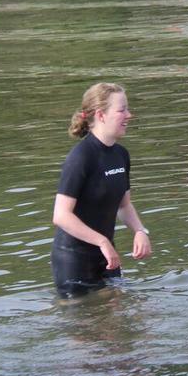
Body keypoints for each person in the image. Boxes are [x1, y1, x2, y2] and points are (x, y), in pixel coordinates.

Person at [51, 82, 152, 298]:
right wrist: (102, 241)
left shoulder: (121, 154)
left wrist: (140, 231)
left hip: (107, 257)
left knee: (117, 319)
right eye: (122, 109)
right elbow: (60, 216)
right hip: (74, 260)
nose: (129, 115)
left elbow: (124, 205)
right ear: (101, 115)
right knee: (84, 325)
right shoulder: (81, 157)